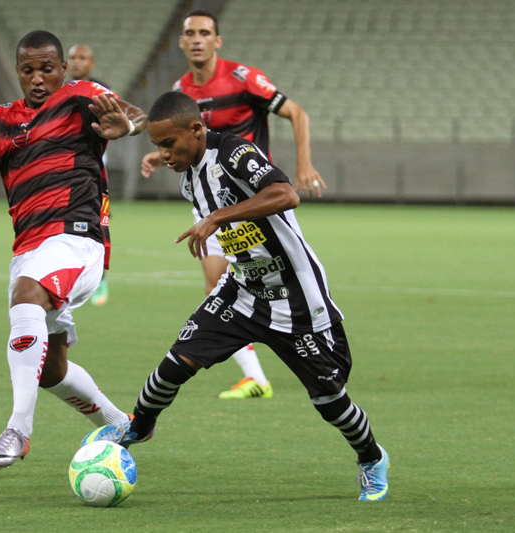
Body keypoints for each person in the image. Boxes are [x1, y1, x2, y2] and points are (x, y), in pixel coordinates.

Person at [84, 91, 389, 501]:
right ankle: (138, 425)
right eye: (157, 147)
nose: (164, 154)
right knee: (177, 361)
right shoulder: (190, 177)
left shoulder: (234, 153)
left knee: (329, 399)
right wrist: (169, 163)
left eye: (169, 144)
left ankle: (371, 457)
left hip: (295, 295)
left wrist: (217, 217)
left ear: (196, 130)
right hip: (242, 289)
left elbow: (285, 194)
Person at [0, 30, 147, 468]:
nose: (39, 78)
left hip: (78, 237)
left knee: (26, 295)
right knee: (50, 371)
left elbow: (134, 114)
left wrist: (126, 126)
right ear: (18, 72)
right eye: (29, 70)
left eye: (48, 68)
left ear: (63, 69)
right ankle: (122, 422)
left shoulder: (81, 97)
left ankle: (18, 430)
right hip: (29, 249)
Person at [141, 10, 326, 399]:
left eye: (204, 33)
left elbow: (296, 112)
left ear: (217, 41)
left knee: (271, 275)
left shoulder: (244, 79)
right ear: (181, 41)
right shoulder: (181, 88)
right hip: (208, 200)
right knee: (216, 282)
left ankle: (305, 344)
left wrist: (303, 164)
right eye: (189, 33)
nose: (196, 39)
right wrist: (161, 156)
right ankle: (254, 375)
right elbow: (190, 139)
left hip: (256, 197)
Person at [68, 43, 111, 306]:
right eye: (72, 57)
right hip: (63, 172)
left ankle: (101, 276)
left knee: (98, 224)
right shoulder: (58, 94)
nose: (76, 62)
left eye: (82, 58)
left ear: (91, 63)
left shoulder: (102, 93)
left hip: (95, 174)